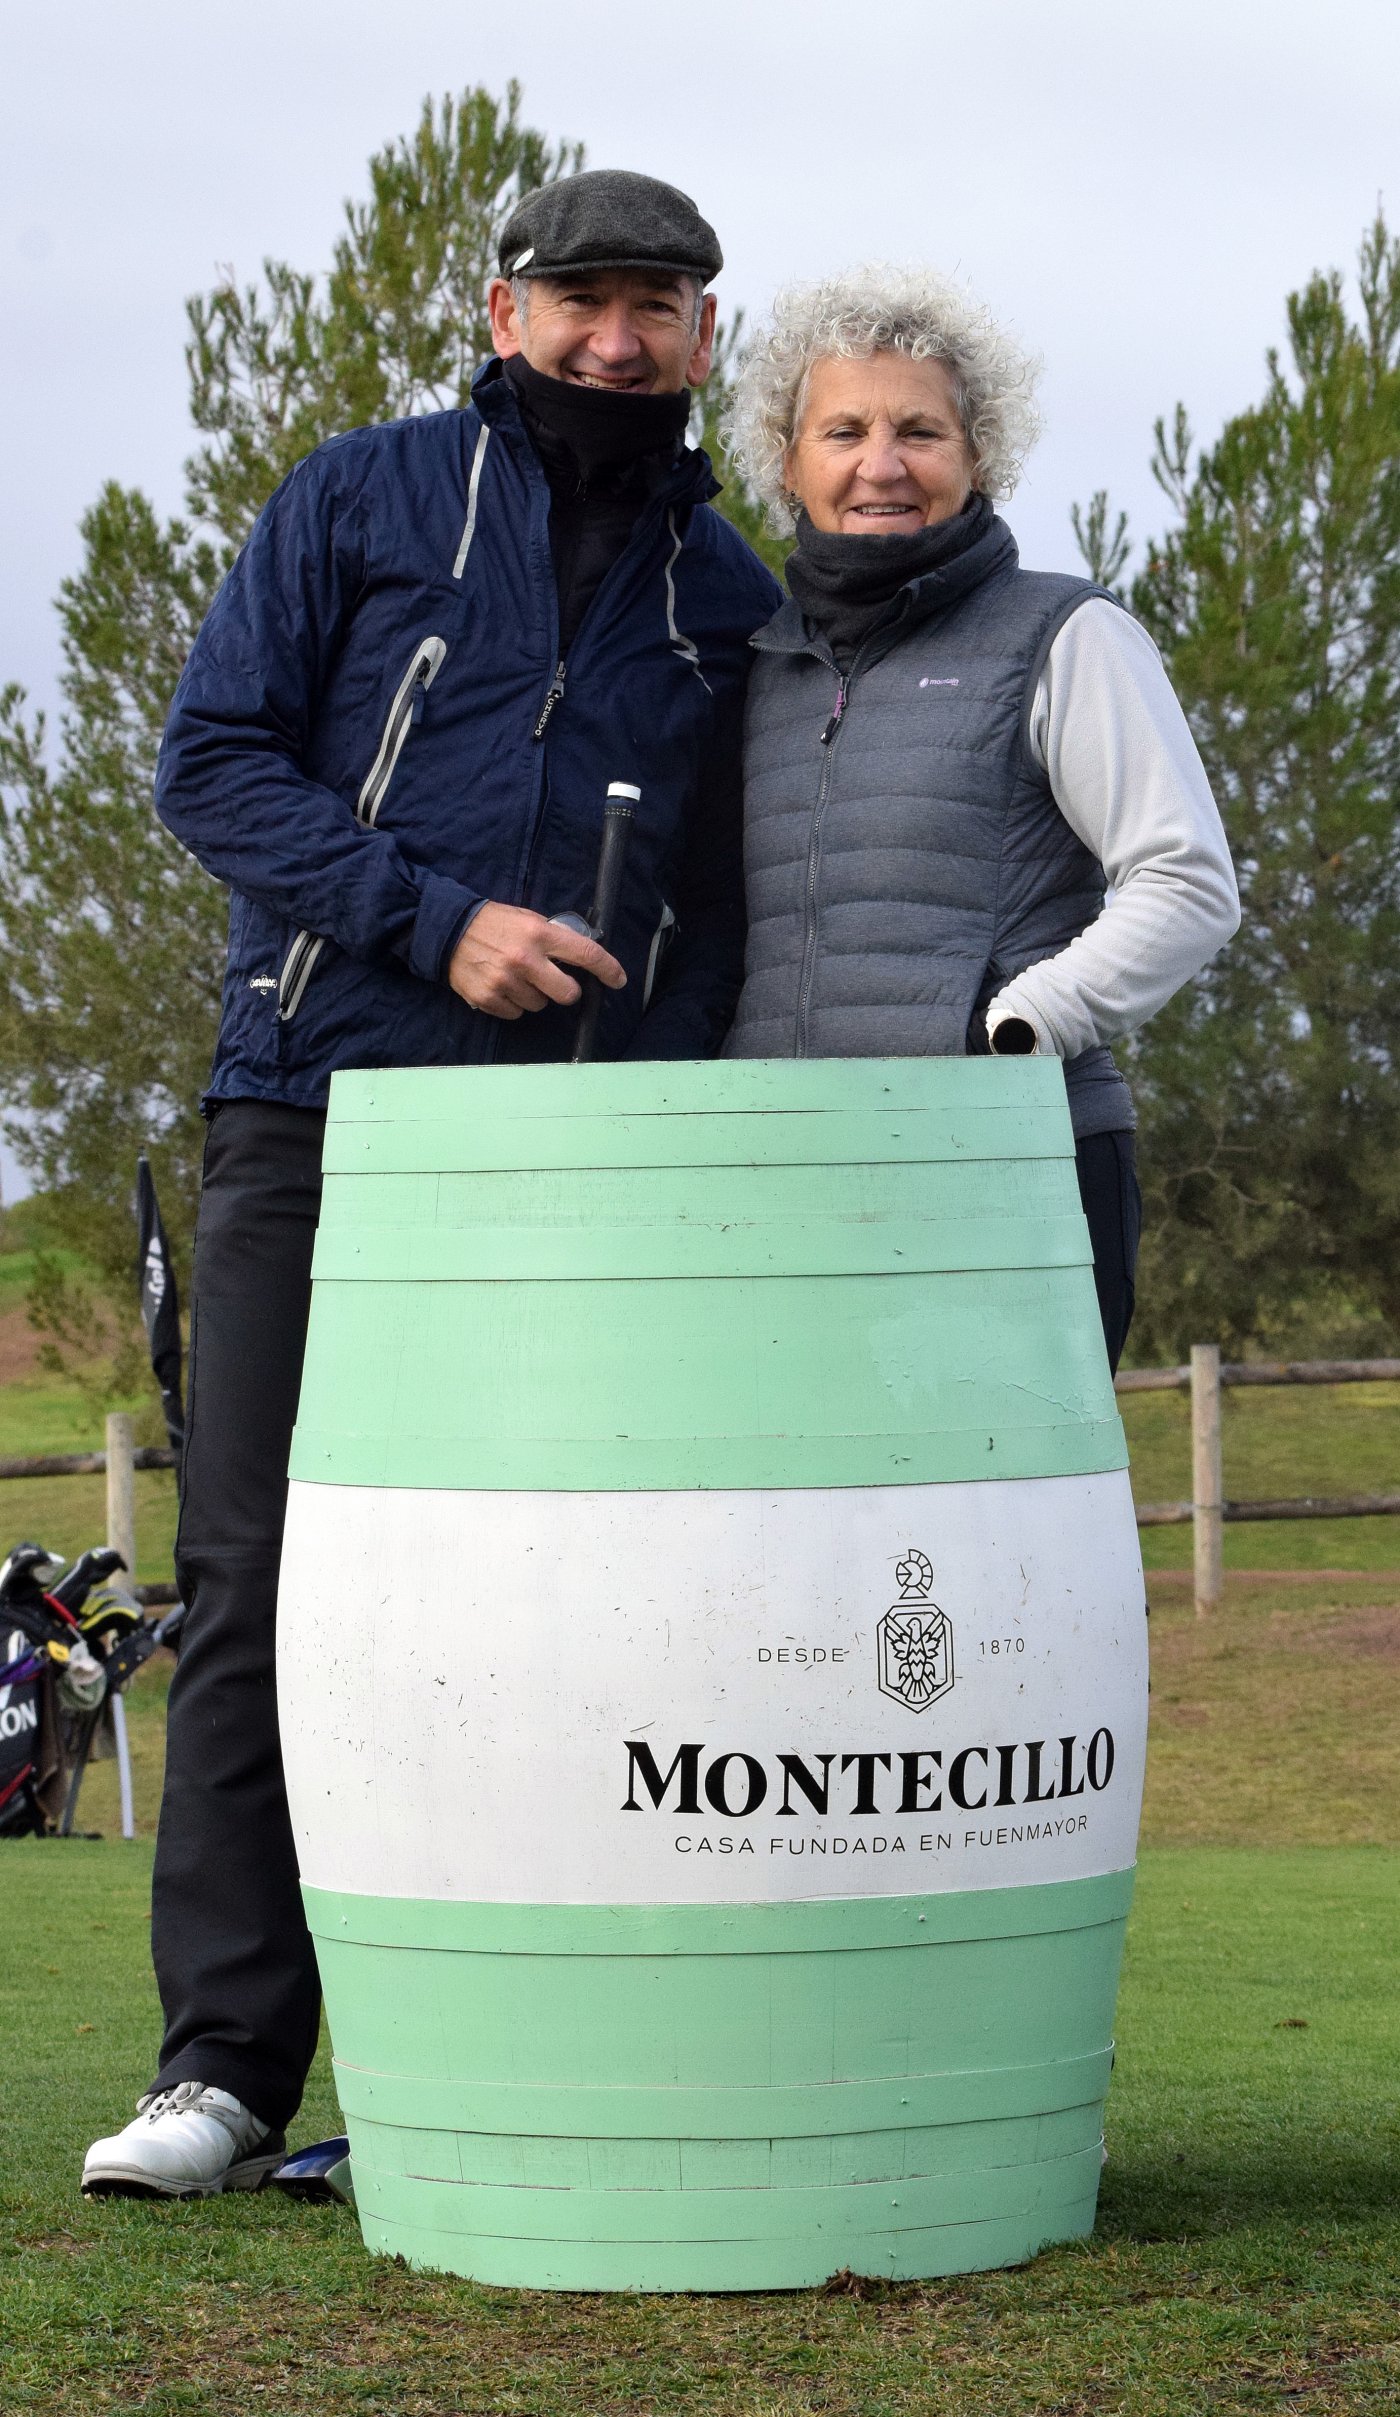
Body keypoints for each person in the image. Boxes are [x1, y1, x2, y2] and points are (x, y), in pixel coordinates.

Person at [82, 170, 781, 2199]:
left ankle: (473, 2051)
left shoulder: (724, 591)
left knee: (559, 1616)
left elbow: (716, 924)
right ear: (501, 310)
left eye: (653, 305)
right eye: (578, 300)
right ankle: (220, 2065)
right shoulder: (359, 498)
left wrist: (648, 1081)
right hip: (314, 1110)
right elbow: (210, 762)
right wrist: (432, 916)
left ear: (702, 336)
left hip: (571, 1169)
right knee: (252, 1588)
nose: (611, 340)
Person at [721, 267, 1240, 1365]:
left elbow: (1184, 879)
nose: (880, 463)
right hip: (787, 1182)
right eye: (842, 429)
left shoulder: (1064, 632)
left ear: (976, 456)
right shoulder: (754, 666)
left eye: (919, 430)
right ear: (786, 460)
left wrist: (1021, 1027)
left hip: (1014, 1158)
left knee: (1004, 1532)